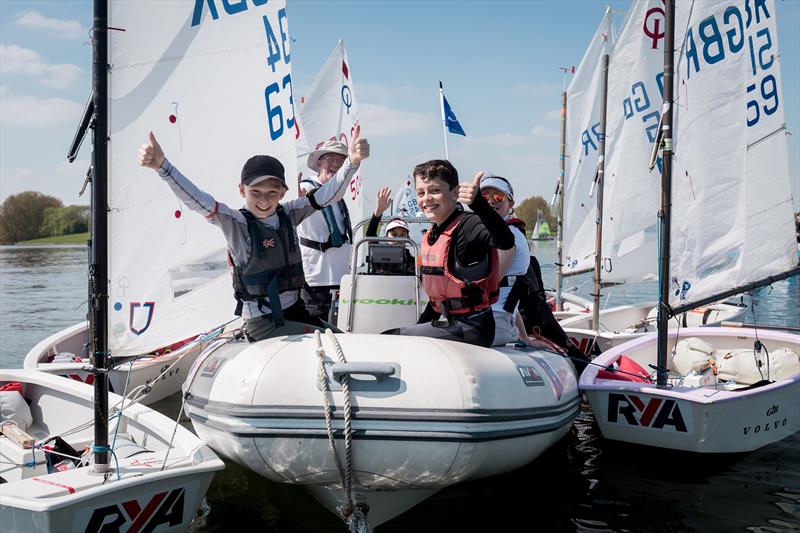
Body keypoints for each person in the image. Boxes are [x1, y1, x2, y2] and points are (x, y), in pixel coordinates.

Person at [137, 127, 370, 341]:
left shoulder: (289, 213)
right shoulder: (236, 223)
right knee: (338, 343)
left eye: (272, 192)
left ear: (282, 192)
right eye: (255, 191)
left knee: (345, 340)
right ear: (241, 190)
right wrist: (163, 167)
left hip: (295, 311)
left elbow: (328, 195)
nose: (264, 199)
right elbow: (199, 200)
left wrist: (352, 162)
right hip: (265, 323)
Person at [383, 160, 515, 347]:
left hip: (473, 327)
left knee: (390, 337)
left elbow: (506, 241)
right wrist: (420, 326)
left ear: (455, 193)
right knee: (396, 335)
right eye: (421, 193)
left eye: (435, 191)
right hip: (448, 323)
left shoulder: (470, 225)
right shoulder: (432, 235)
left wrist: (479, 203)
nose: (426, 199)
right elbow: (438, 299)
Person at [297, 141, 356, 323]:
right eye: (330, 159)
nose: (336, 165)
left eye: (341, 161)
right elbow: (295, 205)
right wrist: (297, 201)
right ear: (319, 163)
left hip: (341, 278)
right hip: (316, 280)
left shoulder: (338, 195)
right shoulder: (306, 188)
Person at [478, 175, 537, 347]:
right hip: (495, 318)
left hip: (493, 322)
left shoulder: (509, 237)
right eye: (484, 196)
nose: (490, 201)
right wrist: (524, 337)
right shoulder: (484, 232)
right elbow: (509, 297)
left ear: (510, 204)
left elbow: (493, 285)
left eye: (498, 197)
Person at [365, 186, 416, 275]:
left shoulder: (412, 262)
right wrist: (378, 212)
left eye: (402, 234)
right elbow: (370, 234)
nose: (398, 239)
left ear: (408, 238)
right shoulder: (377, 254)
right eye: (394, 234)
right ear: (386, 237)